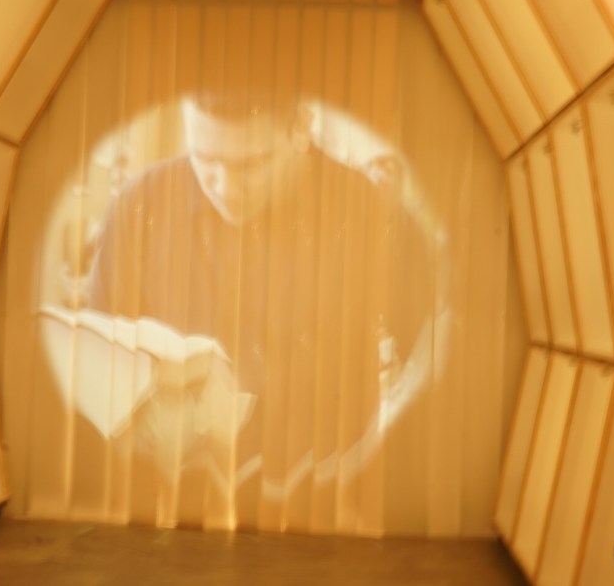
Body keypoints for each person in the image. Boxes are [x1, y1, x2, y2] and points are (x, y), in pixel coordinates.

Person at [84, 90, 445, 525]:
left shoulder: (374, 214)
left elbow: (433, 353)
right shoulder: (137, 207)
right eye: (205, 158)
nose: (225, 186)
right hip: (176, 509)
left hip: (325, 512)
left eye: (251, 164)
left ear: (302, 127)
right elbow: (97, 364)